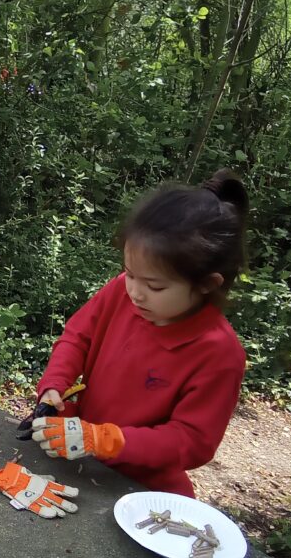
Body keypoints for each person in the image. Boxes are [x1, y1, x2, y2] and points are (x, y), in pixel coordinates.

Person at [27, 169, 249, 497]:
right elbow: (77, 337)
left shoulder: (218, 353)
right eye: (130, 274)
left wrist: (108, 440)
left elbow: (192, 441)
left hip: (144, 488)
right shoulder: (122, 292)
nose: (136, 293)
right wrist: (54, 387)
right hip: (81, 459)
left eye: (154, 285)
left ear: (207, 284)